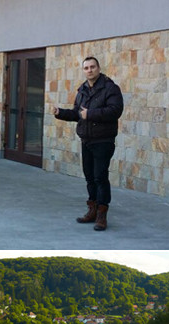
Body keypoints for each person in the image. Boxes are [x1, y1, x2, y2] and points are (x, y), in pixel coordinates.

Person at [51, 56, 124, 231]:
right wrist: (60, 112)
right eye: (86, 68)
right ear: (83, 71)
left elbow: (115, 111)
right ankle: (92, 209)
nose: (89, 70)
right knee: (89, 177)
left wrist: (90, 114)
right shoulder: (83, 90)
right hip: (86, 140)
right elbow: (78, 113)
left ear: (98, 68)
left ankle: (102, 215)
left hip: (103, 140)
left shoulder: (110, 88)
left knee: (100, 176)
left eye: (92, 67)